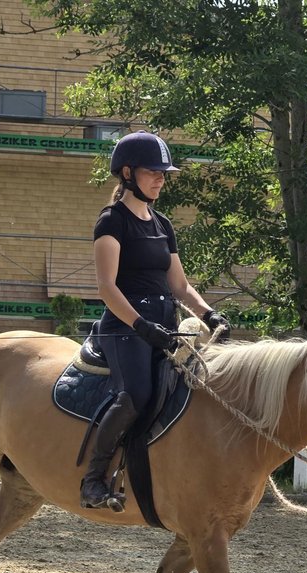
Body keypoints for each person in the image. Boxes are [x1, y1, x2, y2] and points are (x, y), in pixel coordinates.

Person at [81, 130, 231, 511]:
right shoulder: (111, 221)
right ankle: (94, 479)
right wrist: (140, 326)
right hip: (124, 329)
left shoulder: (162, 224)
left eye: (164, 172)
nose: (162, 178)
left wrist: (208, 314)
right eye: (154, 172)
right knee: (137, 397)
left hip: (166, 328)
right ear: (128, 173)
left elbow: (179, 284)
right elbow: (106, 287)